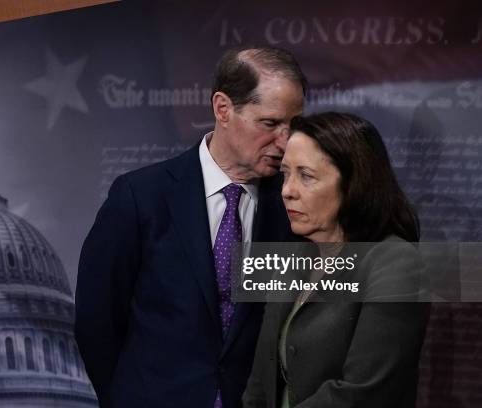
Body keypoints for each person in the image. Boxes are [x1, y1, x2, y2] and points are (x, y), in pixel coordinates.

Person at [75, 47, 306, 408]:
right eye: (270, 123)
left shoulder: (294, 210)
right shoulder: (140, 196)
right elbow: (97, 320)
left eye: (293, 126)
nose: (285, 141)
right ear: (223, 108)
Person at [242, 112, 430, 408]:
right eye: (286, 174)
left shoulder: (395, 263)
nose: (287, 191)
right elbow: (260, 381)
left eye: (306, 176)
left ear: (354, 183)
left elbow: (364, 393)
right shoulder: (291, 257)